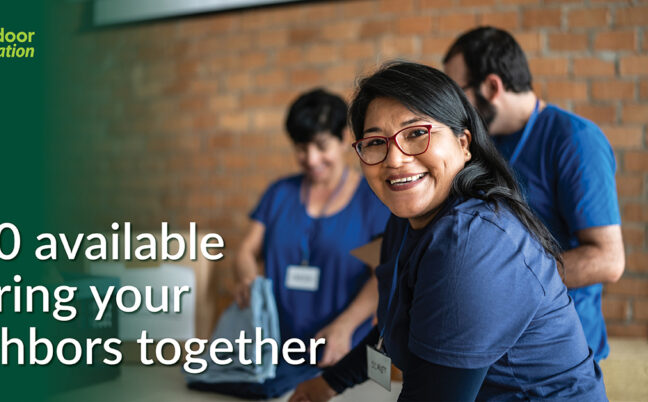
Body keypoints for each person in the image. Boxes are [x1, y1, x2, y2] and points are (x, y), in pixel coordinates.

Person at [289, 62, 607, 401]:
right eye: (376, 142)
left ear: (463, 143)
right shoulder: (404, 223)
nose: (394, 159)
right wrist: (328, 383)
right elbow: (397, 332)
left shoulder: (474, 241)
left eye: (416, 134)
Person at [443, 26, 624, 362]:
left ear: (492, 86)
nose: (455, 109)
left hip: (561, 357)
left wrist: (498, 282)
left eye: (459, 93)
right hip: (494, 348)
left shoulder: (575, 139)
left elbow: (607, 260)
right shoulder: (483, 144)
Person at [231, 88, 390, 397]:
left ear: (344, 138)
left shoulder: (371, 200)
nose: (311, 158)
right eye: (302, 148)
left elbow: (383, 273)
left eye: (321, 146)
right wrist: (248, 278)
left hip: (341, 356)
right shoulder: (279, 193)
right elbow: (246, 250)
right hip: (276, 352)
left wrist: (345, 326)